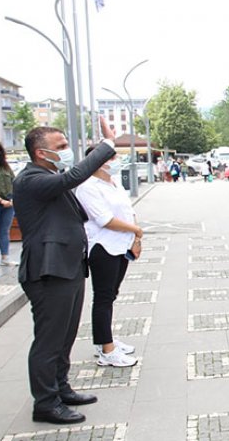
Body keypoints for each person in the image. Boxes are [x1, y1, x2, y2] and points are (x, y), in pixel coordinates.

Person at [12, 116, 116, 425]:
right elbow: (71, 178)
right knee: (49, 340)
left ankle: (61, 388)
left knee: (65, 335)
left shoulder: (48, 174)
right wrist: (107, 145)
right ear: (41, 153)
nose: (67, 151)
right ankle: (45, 403)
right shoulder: (31, 178)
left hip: (67, 267)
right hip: (48, 271)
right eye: (62, 147)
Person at [74, 146, 142, 368]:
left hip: (121, 245)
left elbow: (128, 210)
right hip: (103, 247)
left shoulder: (113, 183)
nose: (116, 160)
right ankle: (106, 351)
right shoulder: (87, 187)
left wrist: (135, 237)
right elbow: (105, 219)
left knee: (111, 294)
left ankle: (105, 340)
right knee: (103, 298)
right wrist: (136, 231)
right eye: (111, 157)